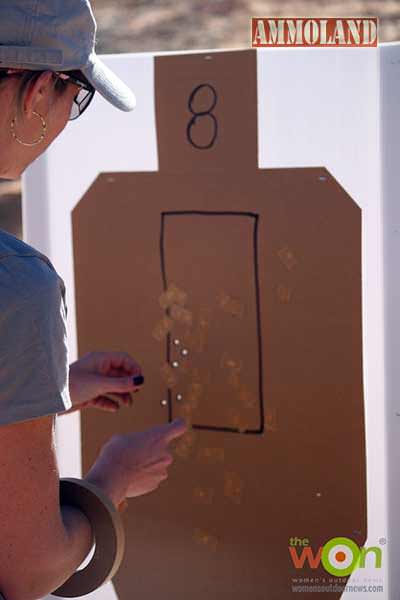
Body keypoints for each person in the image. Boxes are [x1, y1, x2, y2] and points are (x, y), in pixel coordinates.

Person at [0, 1, 188, 598]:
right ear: (34, 95)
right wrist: (112, 482)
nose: (65, 120)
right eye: (75, 97)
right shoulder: (15, 286)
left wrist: (35, 391)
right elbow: (28, 569)